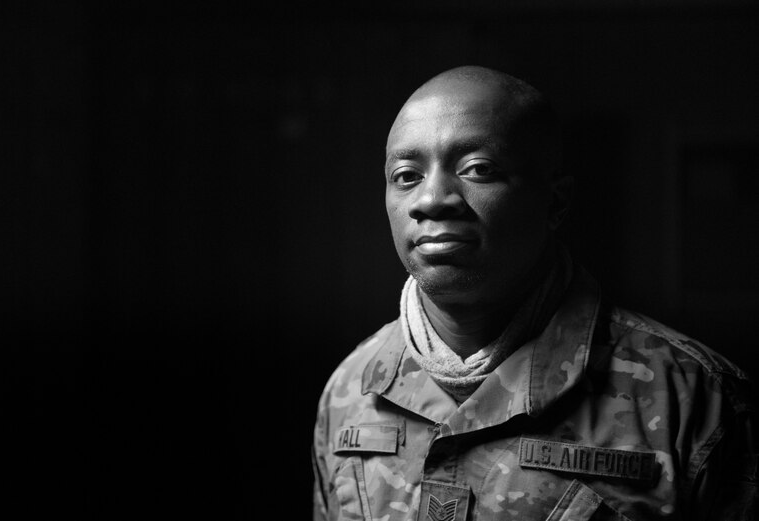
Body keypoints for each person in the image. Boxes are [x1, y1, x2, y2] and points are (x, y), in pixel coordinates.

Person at [311, 66, 757, 521]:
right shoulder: (351, 389)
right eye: (406, 175)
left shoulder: (692, 396)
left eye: (479, 169)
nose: (432, 199)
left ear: (556, 202)